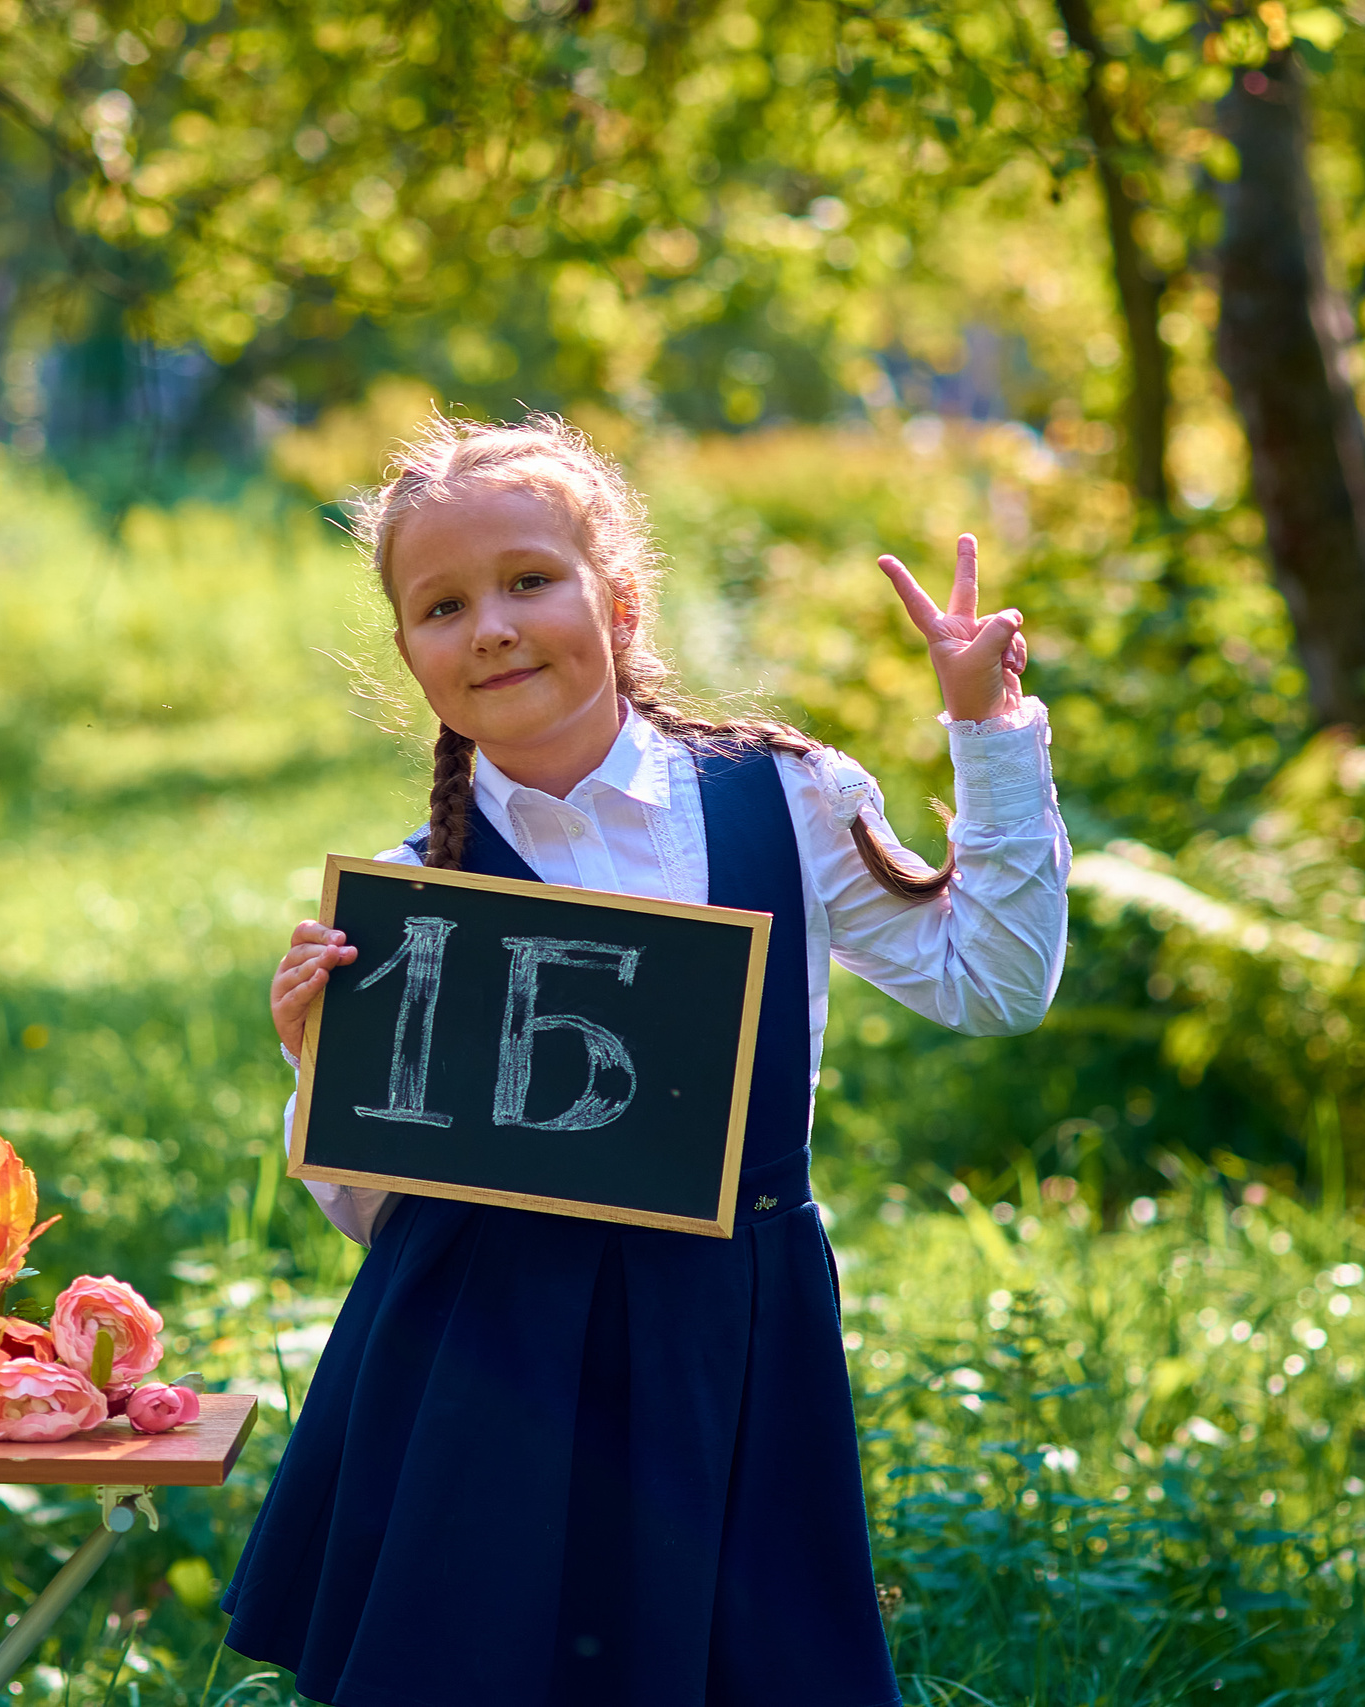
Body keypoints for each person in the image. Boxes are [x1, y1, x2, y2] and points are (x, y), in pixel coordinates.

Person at [220, 414, 1071, 1707]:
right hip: (482, 1356)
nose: (492, 626)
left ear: (616, 601)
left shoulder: (782, 795)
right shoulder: (408, 896)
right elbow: (377, 1217)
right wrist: (323, 1070)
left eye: (527, 581)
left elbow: (993, 982)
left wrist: (989, 737)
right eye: (444, 605)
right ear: (411, 655)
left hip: (729, 1329)